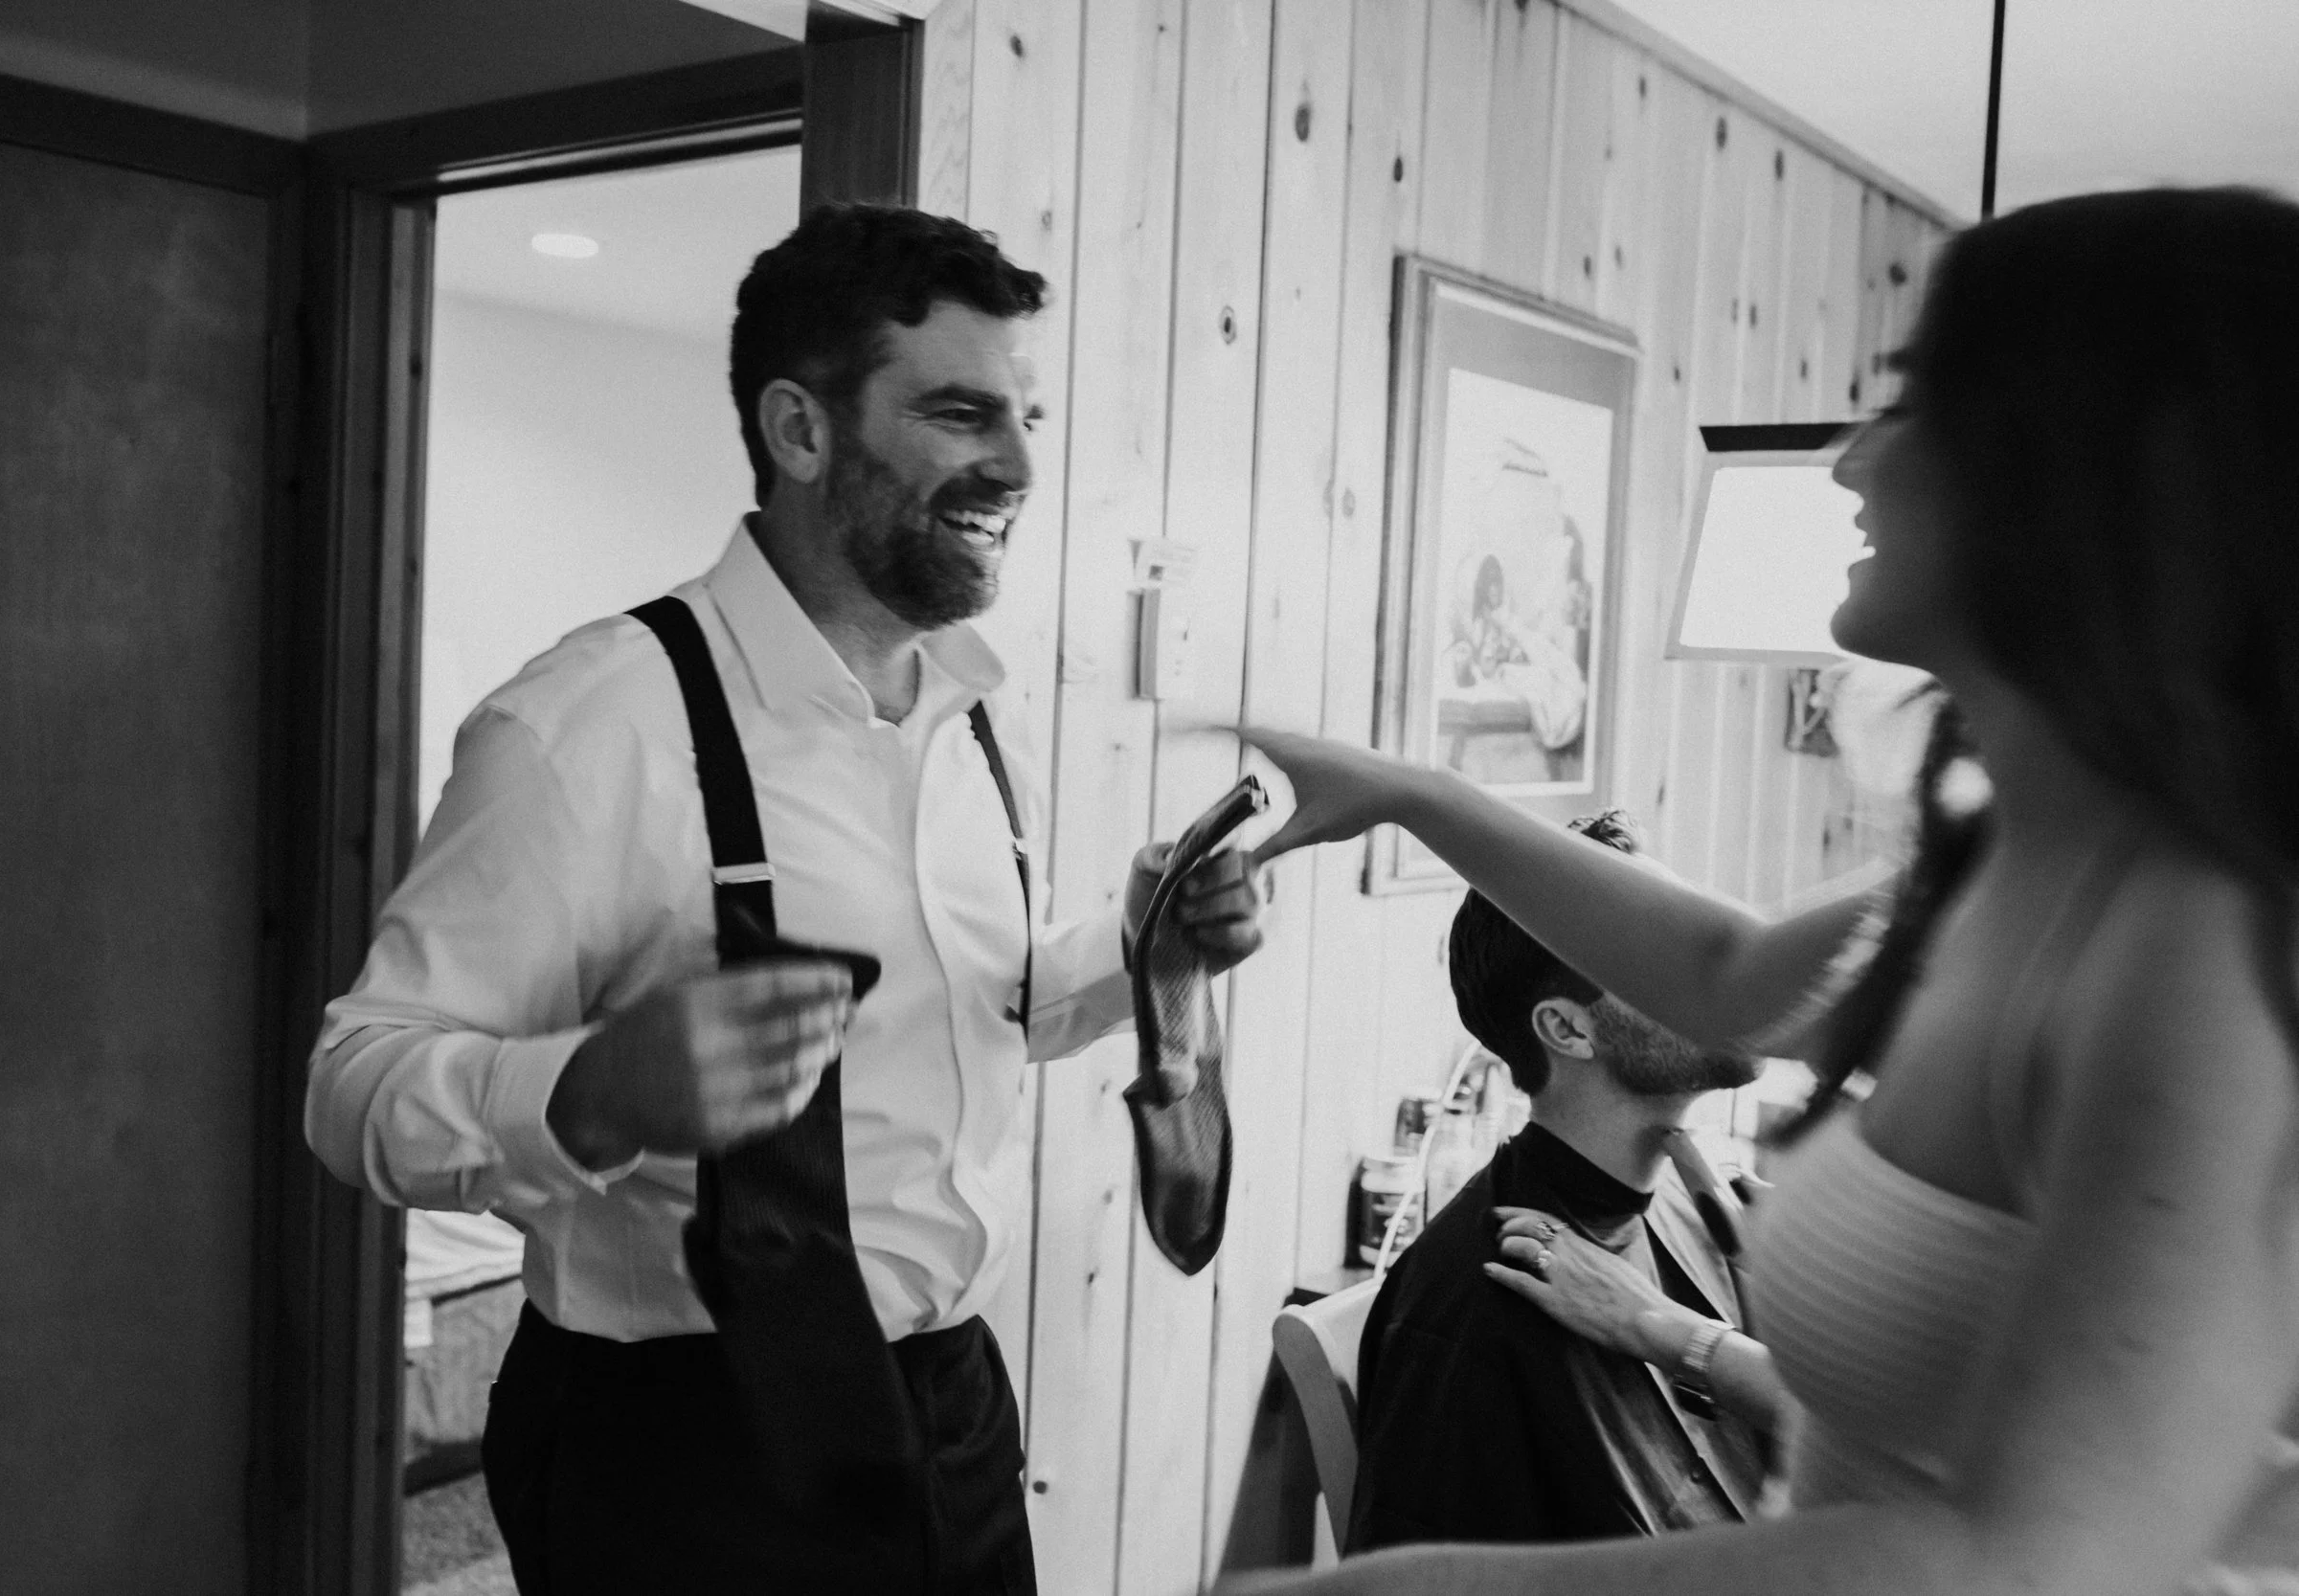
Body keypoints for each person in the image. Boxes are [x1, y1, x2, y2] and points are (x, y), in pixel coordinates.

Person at [1227, 186, 2299, 1595]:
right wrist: (1409, 791)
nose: (1850, 461)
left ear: (2086, 469)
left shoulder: (2196, 945)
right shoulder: (2000, 854)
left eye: (1912, 401)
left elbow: (2035, 1561)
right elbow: (1727, 971)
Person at [304, 204, 1267, 1594]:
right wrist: (589, 1091)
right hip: (683, 1452)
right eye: (959, 413)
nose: (1016, 463)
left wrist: (1141, 952)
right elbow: (353, 1083)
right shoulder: (590, 724)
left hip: (952, 1412)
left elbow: (979, 1013)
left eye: (1027, 417)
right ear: (801, 430)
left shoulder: (979, 717)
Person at [1347, 812, 1767, 1553]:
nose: (1721, 962)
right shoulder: (1469, 1313)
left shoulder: (1693, 1203)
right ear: (1569, 1029)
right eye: (1664, 950)